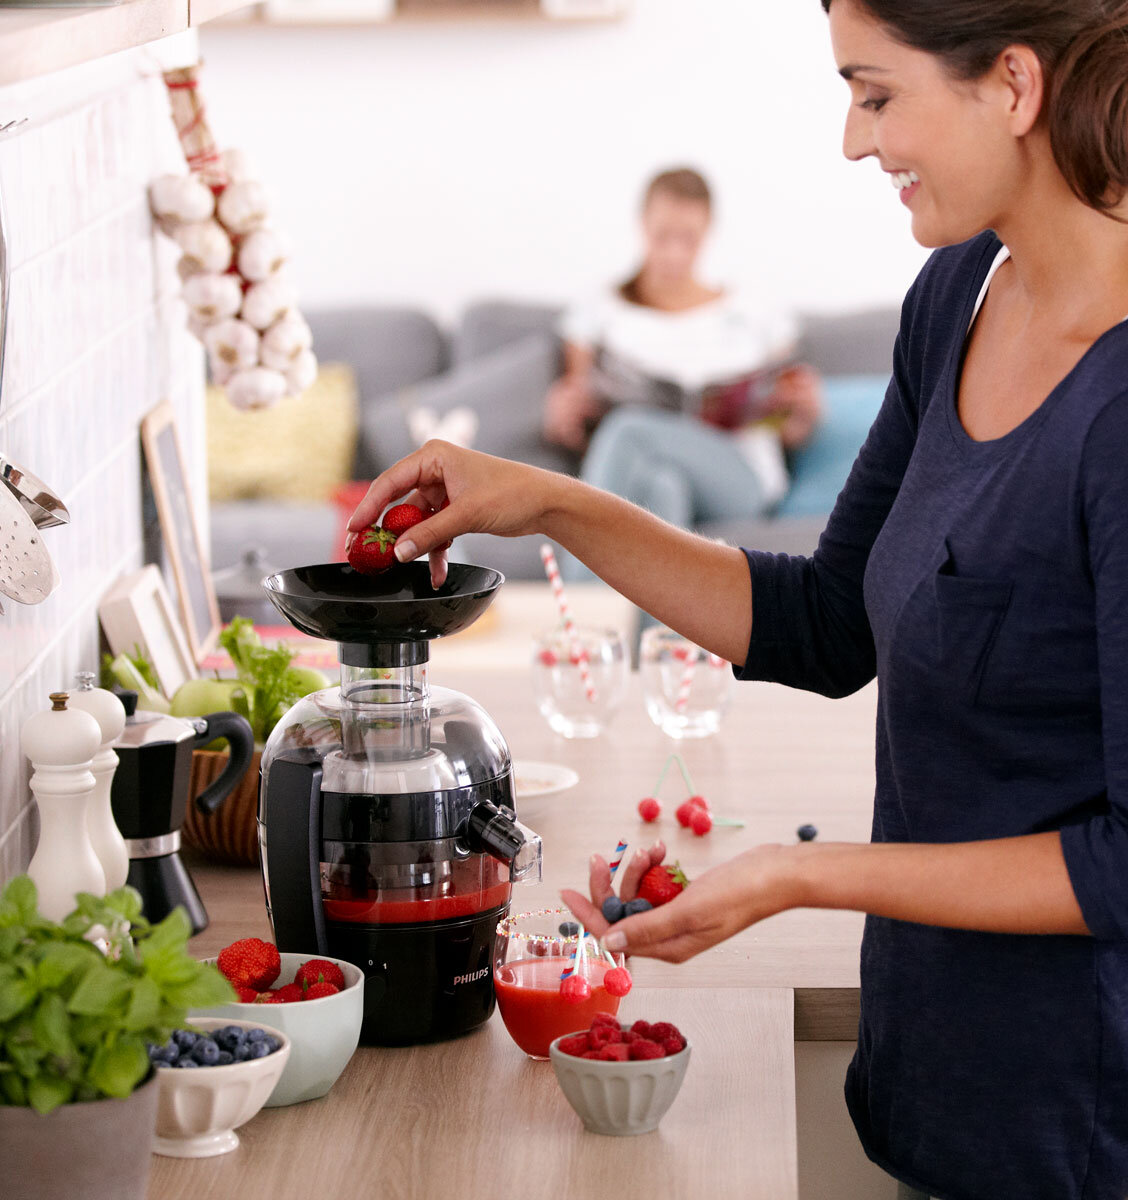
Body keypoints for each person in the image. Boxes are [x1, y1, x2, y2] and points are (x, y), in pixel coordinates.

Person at [348, 2, 1128, 1196]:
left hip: (1083, 1116)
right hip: (937, 1076)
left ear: (1013, 86)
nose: (854, 142)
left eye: (874, 93)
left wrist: (802, 874)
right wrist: (550, 500)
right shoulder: (959, 297)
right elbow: (825, 621)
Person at [543, 168, 823, 548]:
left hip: (739, 475)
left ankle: (580, 602)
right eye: (662, 236)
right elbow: (578, 418)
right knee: (661, 489)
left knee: (630, 429)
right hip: (640, 471)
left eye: (689, 238)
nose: (675, 252)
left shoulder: (755, 312)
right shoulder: (600, 310)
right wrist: (563, 415)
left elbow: (790, 429)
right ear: (642, 225)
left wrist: (803, 414)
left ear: (708, 230)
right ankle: (639, 610)